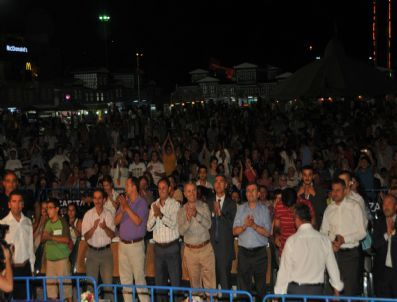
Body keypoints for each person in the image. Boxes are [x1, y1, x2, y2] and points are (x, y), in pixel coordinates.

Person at [274, 204, 344, 295]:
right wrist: (337, 289)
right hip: (316, 292)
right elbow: (332, 267)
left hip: (296, 291)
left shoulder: (291, 241)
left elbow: (284, 270)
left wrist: (278, 293)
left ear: (297, 219)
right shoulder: (324, 240)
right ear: (310, 219)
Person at [320, 179, 366, 296]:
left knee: (349, 291)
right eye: (333, 190)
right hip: (332, 254)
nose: (334, 193)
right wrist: (331, 244)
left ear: (345, 191)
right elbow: (323, 232)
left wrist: (344, 239)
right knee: (333, 291)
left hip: (350, 255)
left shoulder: (354, 206)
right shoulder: (328, 209)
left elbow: (362, 232)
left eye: (338, 190)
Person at [233, 182, 271, 299]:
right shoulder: (240, 209)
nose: (250, 193)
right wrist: (245, 226)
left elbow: (268, 233)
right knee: (243, 287)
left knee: (261, 287)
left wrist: (254, 225)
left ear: (258, 194)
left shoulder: (264, 210)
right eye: (248, 190)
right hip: (244, 252)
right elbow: (234, 231)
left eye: (253, 190)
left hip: (259, 253)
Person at [115, 177, 149, 302]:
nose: (125, 188)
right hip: (122, 244)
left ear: (134, 187)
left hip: (136, 246)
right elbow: (115, 221)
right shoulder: (126, 202)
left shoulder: (142, 203)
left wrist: (126, 207)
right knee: (125, 281)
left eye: (127, 185)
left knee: (139, 280)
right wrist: (123, 209)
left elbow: (137, 221)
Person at [147, 177, 181, 301]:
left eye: (164, 188)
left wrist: (160, 214)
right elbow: (148, 228)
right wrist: (156, 215)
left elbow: (173, 224)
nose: (161, 191)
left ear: (169, 189)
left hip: (172, 247)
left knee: (175, 283)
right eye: (159, 188)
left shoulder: (175, 204)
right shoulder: (153, 205)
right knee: (159, 284)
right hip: (158, 249)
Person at [177, 182, 215, 292]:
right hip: (190, 251)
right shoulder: (181, 210)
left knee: (210, 286)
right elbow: (181, 231)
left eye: (193, 190)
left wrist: (196, 215)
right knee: (195, 287)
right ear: (184, 194)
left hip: (206, 250)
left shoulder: (203, 206)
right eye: (188, 191)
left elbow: (209, 225)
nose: (192, 193)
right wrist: (188, 220)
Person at [0, 190, 35, 300]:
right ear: (9, 204)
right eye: (14, 201)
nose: (17, 204)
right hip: (10, 269)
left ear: (23, 204)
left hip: (26, 267)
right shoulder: (2, 223)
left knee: (28, 298)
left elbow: (31, 247)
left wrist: (32, 268)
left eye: (20, 201)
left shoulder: (28, 222)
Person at [82, 189, 115, 300]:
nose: (97, 200)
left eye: (99, 198)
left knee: (108, 286)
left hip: (106, 253)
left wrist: (105, 228)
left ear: (104, 200)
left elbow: (112, 235)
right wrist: (93, 227)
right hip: (92, 253)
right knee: (90, 286)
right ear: (92, 200)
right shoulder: (88, 215)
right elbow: (86, 237)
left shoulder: (109, 214)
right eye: (95, 198)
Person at [208, 175, 237, 291]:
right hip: (210, 248)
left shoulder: (231, 203)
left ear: (225, 185)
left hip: (225, 249)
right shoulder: (208, 202)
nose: (218, 184)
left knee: (225, 284)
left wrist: (220, 214)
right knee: (211, 285)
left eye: (221, 181)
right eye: (216, 181)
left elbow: (233, 226)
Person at [42, 198, 72, 302]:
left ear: (57, 209)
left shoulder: (63, 222)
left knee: (66, 290)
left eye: (50, 208)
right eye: (47, 208)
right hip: (50, 260)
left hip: (62, 260)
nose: (48, 211)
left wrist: (50, 237)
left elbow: (66, 239)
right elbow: (43, 238)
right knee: (51, 291)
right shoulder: (47, 222)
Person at [373, 194, 397, 298]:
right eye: (384, 204)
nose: (386, 206)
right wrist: (387, 234)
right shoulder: (379, 223)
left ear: (396, 207)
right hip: (382, 272)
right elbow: (375, 244)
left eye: (389, 203)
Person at [297, 165, 327, 229]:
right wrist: (297, 195)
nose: (307, 177)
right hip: (300, 227)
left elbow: (324, 211)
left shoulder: (319, 190)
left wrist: (314, 195)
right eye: (305, 175)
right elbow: (292, 210)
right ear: (302, 176)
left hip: (315, 227)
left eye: (309, 175)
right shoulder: (297, 190)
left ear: (313, 176)